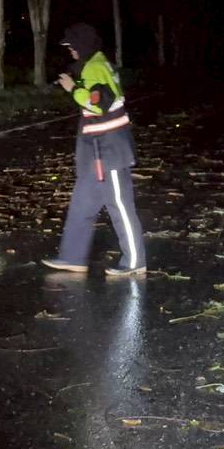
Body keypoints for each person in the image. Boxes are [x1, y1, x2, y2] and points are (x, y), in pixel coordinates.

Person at [41, 22, 146, 276]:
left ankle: (135, 262)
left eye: (73, 47)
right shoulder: (95, 64)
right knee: (82, 204)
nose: (71, 52)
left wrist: (73, 89)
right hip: (95, 152)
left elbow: (100, 104)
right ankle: (72, 257)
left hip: (109, 150)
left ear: (83, 45)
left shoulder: (95, 67)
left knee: (119, 205)